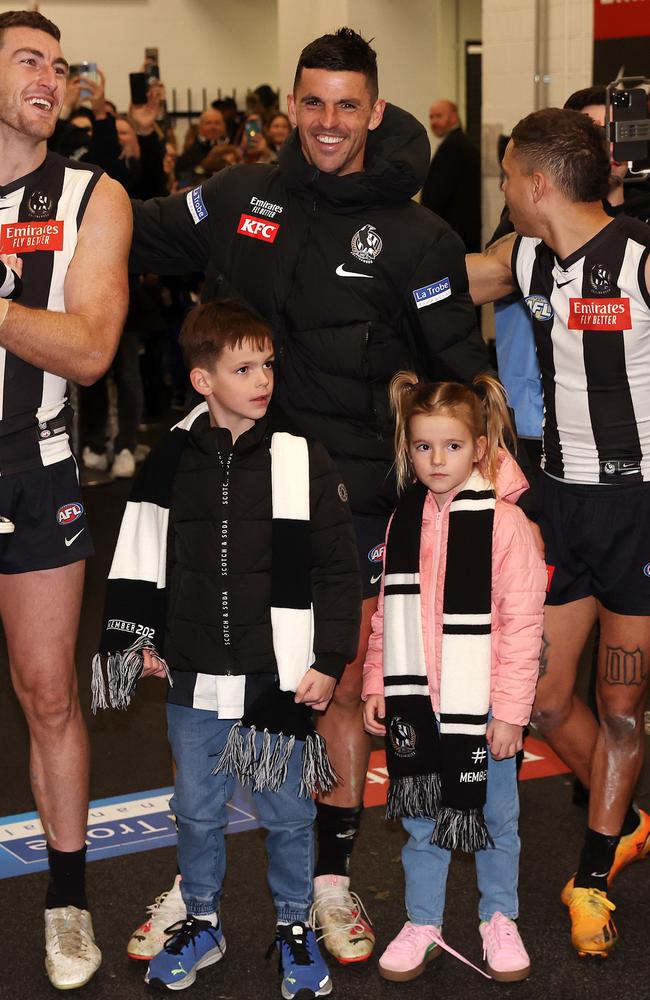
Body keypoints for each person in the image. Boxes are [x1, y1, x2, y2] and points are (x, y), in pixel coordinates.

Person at [128, 26, 489, 965]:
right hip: (225, 494)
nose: (329, 122)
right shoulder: (244, 196)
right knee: (204, 688)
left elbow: (457, 376)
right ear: (292, 104)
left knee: (336, 688)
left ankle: (329, 880)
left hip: (352, 501)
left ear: (376, 111)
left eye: (348, 104)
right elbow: (139, 227)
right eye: (313, 101)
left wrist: (487, 490)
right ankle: (194, 884)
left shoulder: (420, 237)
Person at [95, 299, 361, 997]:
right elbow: (147, 552)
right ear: (203, 380)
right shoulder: (170, 461)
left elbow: (337, 571)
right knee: (196, 810)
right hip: (192, 677)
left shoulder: (302, 457)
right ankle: (203, 920)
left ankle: (295, 927)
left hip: (276, 677)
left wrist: (329, 659)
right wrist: (139, 640)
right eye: (243, 367)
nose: (262, 378)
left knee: (288, 815)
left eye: (267, 364)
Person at [466, 107, 650, 959]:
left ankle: (592, 872)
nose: (503, 189)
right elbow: (459, 278)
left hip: (639, 510)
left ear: (538, 183)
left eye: (507, 176)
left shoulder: (642, 259)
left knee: (620, 709)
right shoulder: (529, 252)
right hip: (559, 502)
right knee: (542, 697)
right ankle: (626, 818)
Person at [0, 7, 130, 990]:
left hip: (33, 471)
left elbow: (87, 351)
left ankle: (68, 897)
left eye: (58, 64)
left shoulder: (91, 194)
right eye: (25, 61)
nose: (49, 77)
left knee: (49, 691)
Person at [362, 371, 545, 984]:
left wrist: (511, 712)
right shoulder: (404, 522)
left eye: (452, 446)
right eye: (422, 447)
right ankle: (423, 922)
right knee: (421, 824)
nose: (437, 460)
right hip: (421, 705)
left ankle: (500, 917)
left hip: (484, 709)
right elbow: (388, 615)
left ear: (482, 444)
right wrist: (375, 685)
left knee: (498, 821)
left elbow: (522, 629)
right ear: (406, 447)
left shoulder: (507, 526)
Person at [420, 99, 481, 252]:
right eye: (431, 117)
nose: (433, 121)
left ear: (454, 117)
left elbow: (438, 194)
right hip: (458, 234)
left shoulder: (454, 147)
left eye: (439, 116)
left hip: (454, 235)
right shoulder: (458, 143)